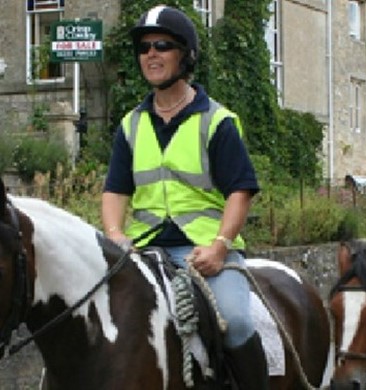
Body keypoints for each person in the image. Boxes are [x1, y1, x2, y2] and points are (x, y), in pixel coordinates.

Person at [100, 5, 268, 389]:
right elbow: (115, 190)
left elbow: (240, 191)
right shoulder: (131, 124)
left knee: (237, 321)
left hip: (203, 251)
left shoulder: (217, 121)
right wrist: (113, 234)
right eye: (144, 48)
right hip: (141, 248)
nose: (151, 54)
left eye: (162, 45)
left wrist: (221, 246)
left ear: (186, 55)